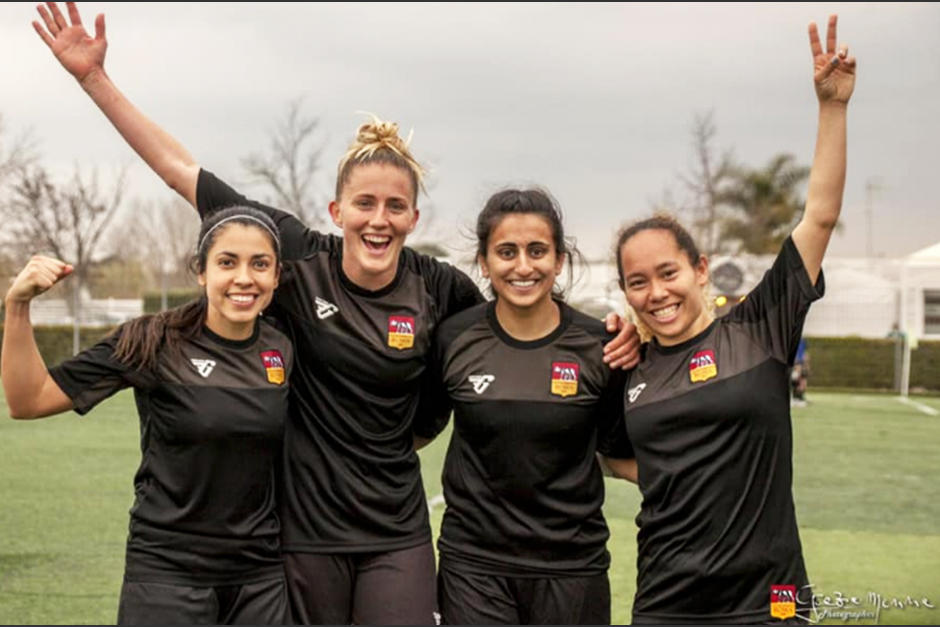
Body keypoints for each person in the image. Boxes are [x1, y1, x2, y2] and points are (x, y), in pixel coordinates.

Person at [32, 3, 643, 623]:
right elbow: (179, 172)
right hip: (302, 528)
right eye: (365, 204)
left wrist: (611, 333)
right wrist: (93, 79)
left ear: (414, 218)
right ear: (336, 210)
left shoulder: (440, 287)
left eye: (395, 206)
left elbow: (519, 316)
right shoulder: (298, 258)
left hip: (395, 531)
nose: (379, 219)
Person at [613, 14, 855, 624]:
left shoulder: (759, 328)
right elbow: (608, 455)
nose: (656, 293)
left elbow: (818, 218)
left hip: (771, 600)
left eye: (667, 273)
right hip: (667, 602)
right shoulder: (626, 363)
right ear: (624, 292)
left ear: (700, 269)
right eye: (637, 282)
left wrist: (832, 108)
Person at [1, 207, 293, 625]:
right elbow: (28, 400)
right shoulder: (153, 341)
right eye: (227, 262)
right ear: (201, 271)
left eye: (259, 264)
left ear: (276, 276)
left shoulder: (284, 348)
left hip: (259, 579)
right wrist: (17, 305)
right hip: (167, 575)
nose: (244, 278)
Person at [414, 188, 638, 625]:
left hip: (572, 567)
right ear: (483, 261)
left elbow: (619, 453)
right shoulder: (453, 339)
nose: (522, 266)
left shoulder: (601, 347)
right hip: (474, 568)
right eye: (506, 251)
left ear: (558, 260)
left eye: (537, 251)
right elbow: (417, 430)